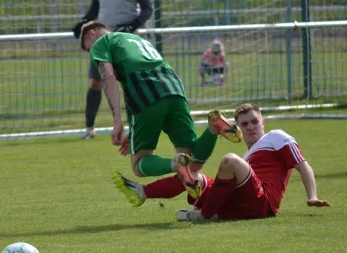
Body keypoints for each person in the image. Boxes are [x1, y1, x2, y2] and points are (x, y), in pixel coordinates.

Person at [79, 20, 243, 199]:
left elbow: (108, 77)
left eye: (88, 49)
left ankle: (175, 164)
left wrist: (117, 120)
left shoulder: (102, 43)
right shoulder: (137, 40)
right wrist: (133, 131)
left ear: (93, 33)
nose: (91, 54)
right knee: (192, 163)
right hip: (174, 88)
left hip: (146, 95)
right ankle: (213, 128)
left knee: (138, 163)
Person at [112, 103, 330, 221]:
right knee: (191, 175)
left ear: (263, 122)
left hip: (261, 203)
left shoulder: (277, 137)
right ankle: (142, 192)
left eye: (254, 122)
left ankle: (204, 214)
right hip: (237, 202)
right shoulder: (248, 157)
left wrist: (312, 196)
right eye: (244, 125)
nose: (251, 127)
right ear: (238, 129)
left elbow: (303, 165)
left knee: (229, 161)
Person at [72, 0, 153, 140]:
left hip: (126, 40)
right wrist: (82, 22)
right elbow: (94, 9)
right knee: (95, 82)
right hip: (101, 41)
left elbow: (147, 9)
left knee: (131, 83)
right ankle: (90, 129)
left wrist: (132, 25)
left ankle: (138, 124)